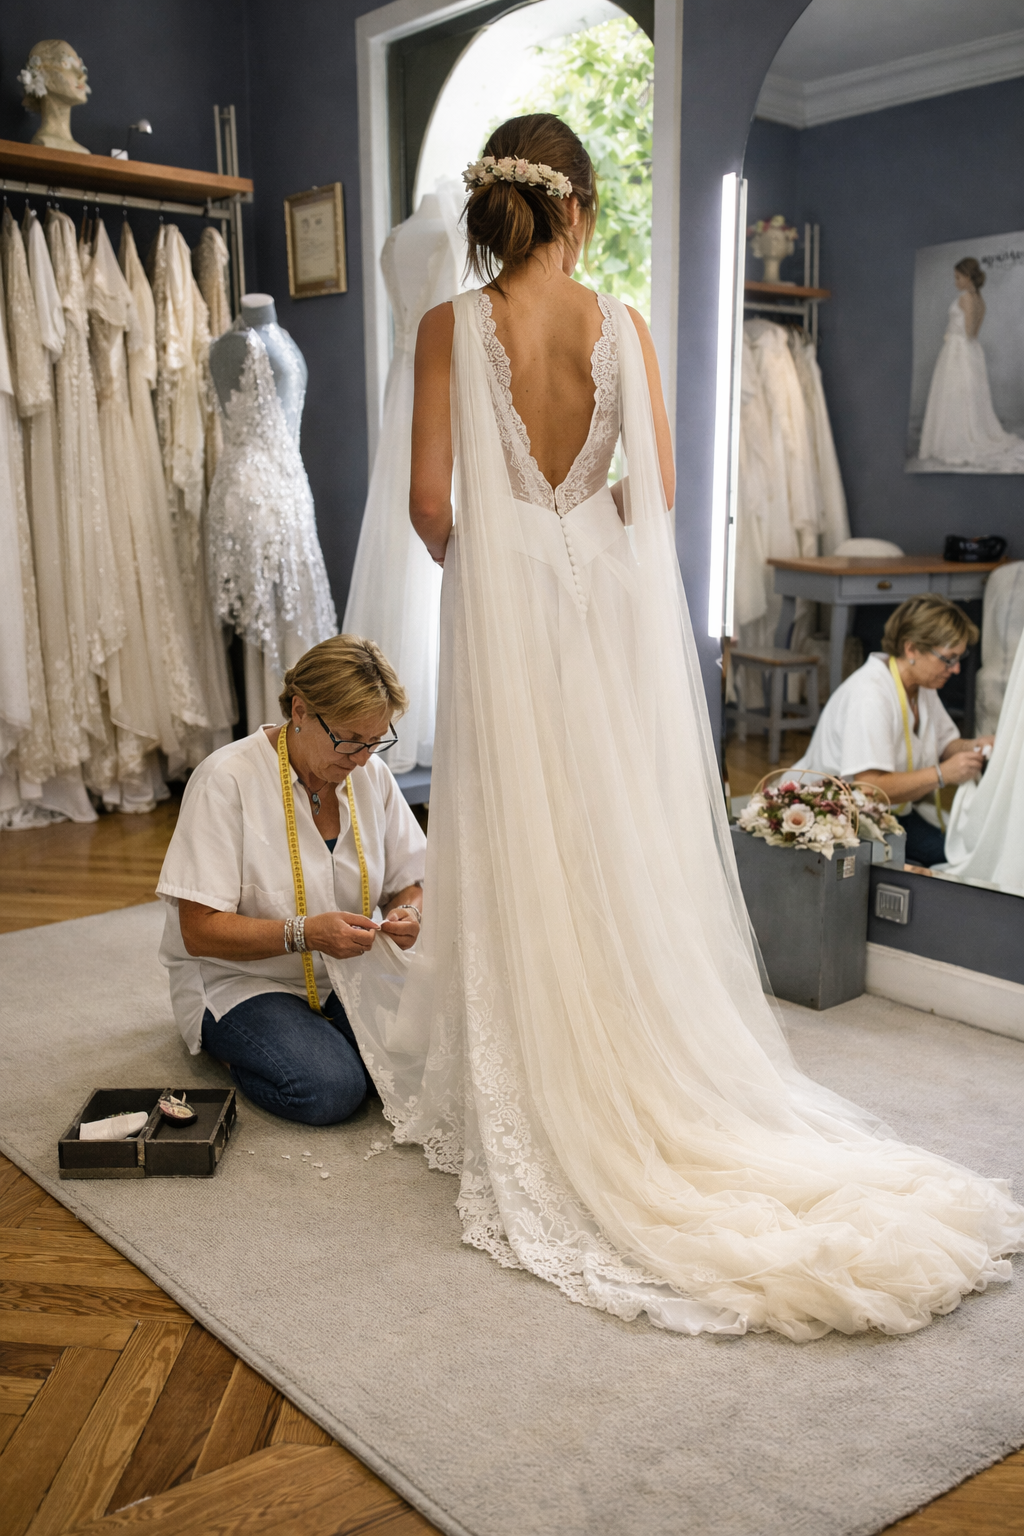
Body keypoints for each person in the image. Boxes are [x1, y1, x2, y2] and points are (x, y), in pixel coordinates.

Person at [356, 113, 1021, 1342]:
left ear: (494, 206)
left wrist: (496, 558)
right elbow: (647, 493)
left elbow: (430, 506)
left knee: (516, 822)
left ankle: (535, 1056)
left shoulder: (454, 326)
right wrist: (572, 551)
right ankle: (618, 1033)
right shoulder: (624, 328)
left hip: (504, 616)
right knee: (605, 822)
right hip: (598, 615)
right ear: (579, 209)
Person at [156, 635, 426, 1125]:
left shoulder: (370, 773)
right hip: (242, 980)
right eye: (349, 739)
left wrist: (410, 912)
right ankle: (229, 1045)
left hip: (345, 973)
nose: (362, 758)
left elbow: (413, 880)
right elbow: (198, 930)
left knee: (425, 1059)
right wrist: (303, 933)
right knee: (332, 1090)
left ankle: (326, 1039)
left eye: (376, 740)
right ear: (300, 710)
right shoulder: (226, 780)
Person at [794, 595, 992, 867]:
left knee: (964, 855)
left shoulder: (921, 686)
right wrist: (942, 774)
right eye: (948, 659)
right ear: (911, 649)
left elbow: (947, 744)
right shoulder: (870, 695)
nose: (956, 669)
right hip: (836, 822)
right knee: (957, 865)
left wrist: (976, 746)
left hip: (887, 813)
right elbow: (871, 787)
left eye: (959, 658)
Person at [918, 257, 1024, 470]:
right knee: (967, 395)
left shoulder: (966, 298)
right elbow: (975, 333)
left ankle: (953, 440)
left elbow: (968, 332)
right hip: (971, 350)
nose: (955, 281)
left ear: (967, 277)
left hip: (958, 350)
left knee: (956, 395)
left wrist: (951, 336)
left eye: (958, 277)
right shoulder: (980, 299)